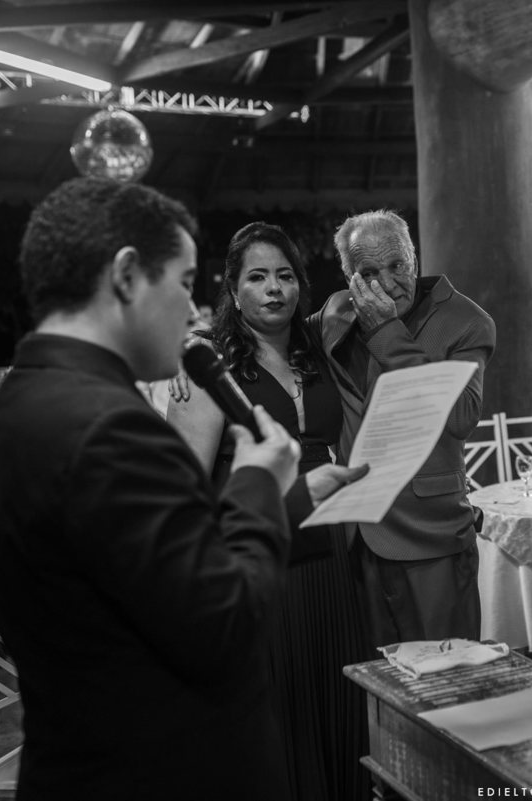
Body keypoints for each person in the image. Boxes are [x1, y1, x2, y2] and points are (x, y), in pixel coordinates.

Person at [0, 177, 356, 801]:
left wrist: (291, 500)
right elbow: (219, 620)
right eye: (182, 282)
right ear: (127, 276)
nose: (192, 310)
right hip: (153, 766)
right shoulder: (108, 429)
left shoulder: (16, 409)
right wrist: (257, 478)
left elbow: (153, 569)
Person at [166, 222, 373, 801]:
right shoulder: (210, 369)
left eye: (285, 276)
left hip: (331, 549)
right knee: (281, 704)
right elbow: (185, 489)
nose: (274, 289)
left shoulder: (318, 349)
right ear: (233, 291)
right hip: (263, 546)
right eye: (257, 278)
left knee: (336, 692)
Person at [310, 209, 495, 646]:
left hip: (431, 536)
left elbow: (461, 417)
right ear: (349, 278)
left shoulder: (466, 321)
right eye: (369, 273)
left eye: (397, 265)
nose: (389, 283)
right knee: (377, 676)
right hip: (356, 536)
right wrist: (209, 344)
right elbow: (271, 342)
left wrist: (388, 332)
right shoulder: (335, 313)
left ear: (415, 257)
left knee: (446, 673)